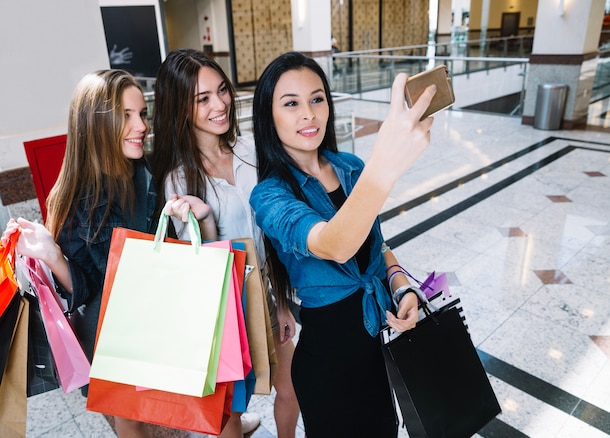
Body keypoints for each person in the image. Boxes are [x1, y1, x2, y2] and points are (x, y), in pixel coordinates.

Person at [1, 69, 214, 438]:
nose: (141, 125)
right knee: (128, 415)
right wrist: (53, 256)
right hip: (109, 331)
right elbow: (82, 290)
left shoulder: (148, 174)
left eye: (143, 114)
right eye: (127, 116)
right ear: (96, 125)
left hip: (157, 317)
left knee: (182, 403)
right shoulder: (73, 196)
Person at [248, 51, 435, 437]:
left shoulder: (350, 166)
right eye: (291, 104)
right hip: (327, 366)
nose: (308, 114)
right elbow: (334, 244)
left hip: (378, 353)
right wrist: (387, 163)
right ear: (269, 117)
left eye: (317, 99)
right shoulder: (269, 196)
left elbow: (378, 247)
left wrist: (403, 290)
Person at [150, 48, 301, 438]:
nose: (220, 105)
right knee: (230, 412)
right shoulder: (180, 181)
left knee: (291, 386)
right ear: (180, 108)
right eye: (203, 99)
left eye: (222, 91)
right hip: (222, 307)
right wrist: (207, 222)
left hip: (267, 288)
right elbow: (202, 267)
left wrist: (282, 304)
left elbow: (272, 238)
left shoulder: (250, 151)